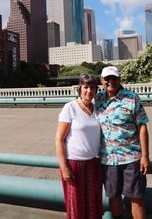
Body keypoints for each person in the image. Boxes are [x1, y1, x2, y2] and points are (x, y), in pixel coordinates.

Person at [95, 66, 150, 219]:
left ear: (119, 79)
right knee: (114, 196)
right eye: (107, 79)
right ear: (101, 81)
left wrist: (145, 156)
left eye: (114, 78)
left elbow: (142, 126)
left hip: (132, 158)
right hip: (108, 159)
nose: (110, 81)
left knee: (136, 197)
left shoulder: (131, 98)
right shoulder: (97, 99)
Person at [55, 73, 102, 219]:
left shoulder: (97, 109)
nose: (89, 91)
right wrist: (65, 168)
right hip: (74, 164)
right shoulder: (70, 108)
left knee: (94, 205)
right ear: (80, 89)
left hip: (94, 163)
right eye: (86, 87)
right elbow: (59, 139)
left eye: (92, 88)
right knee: (76, 207)